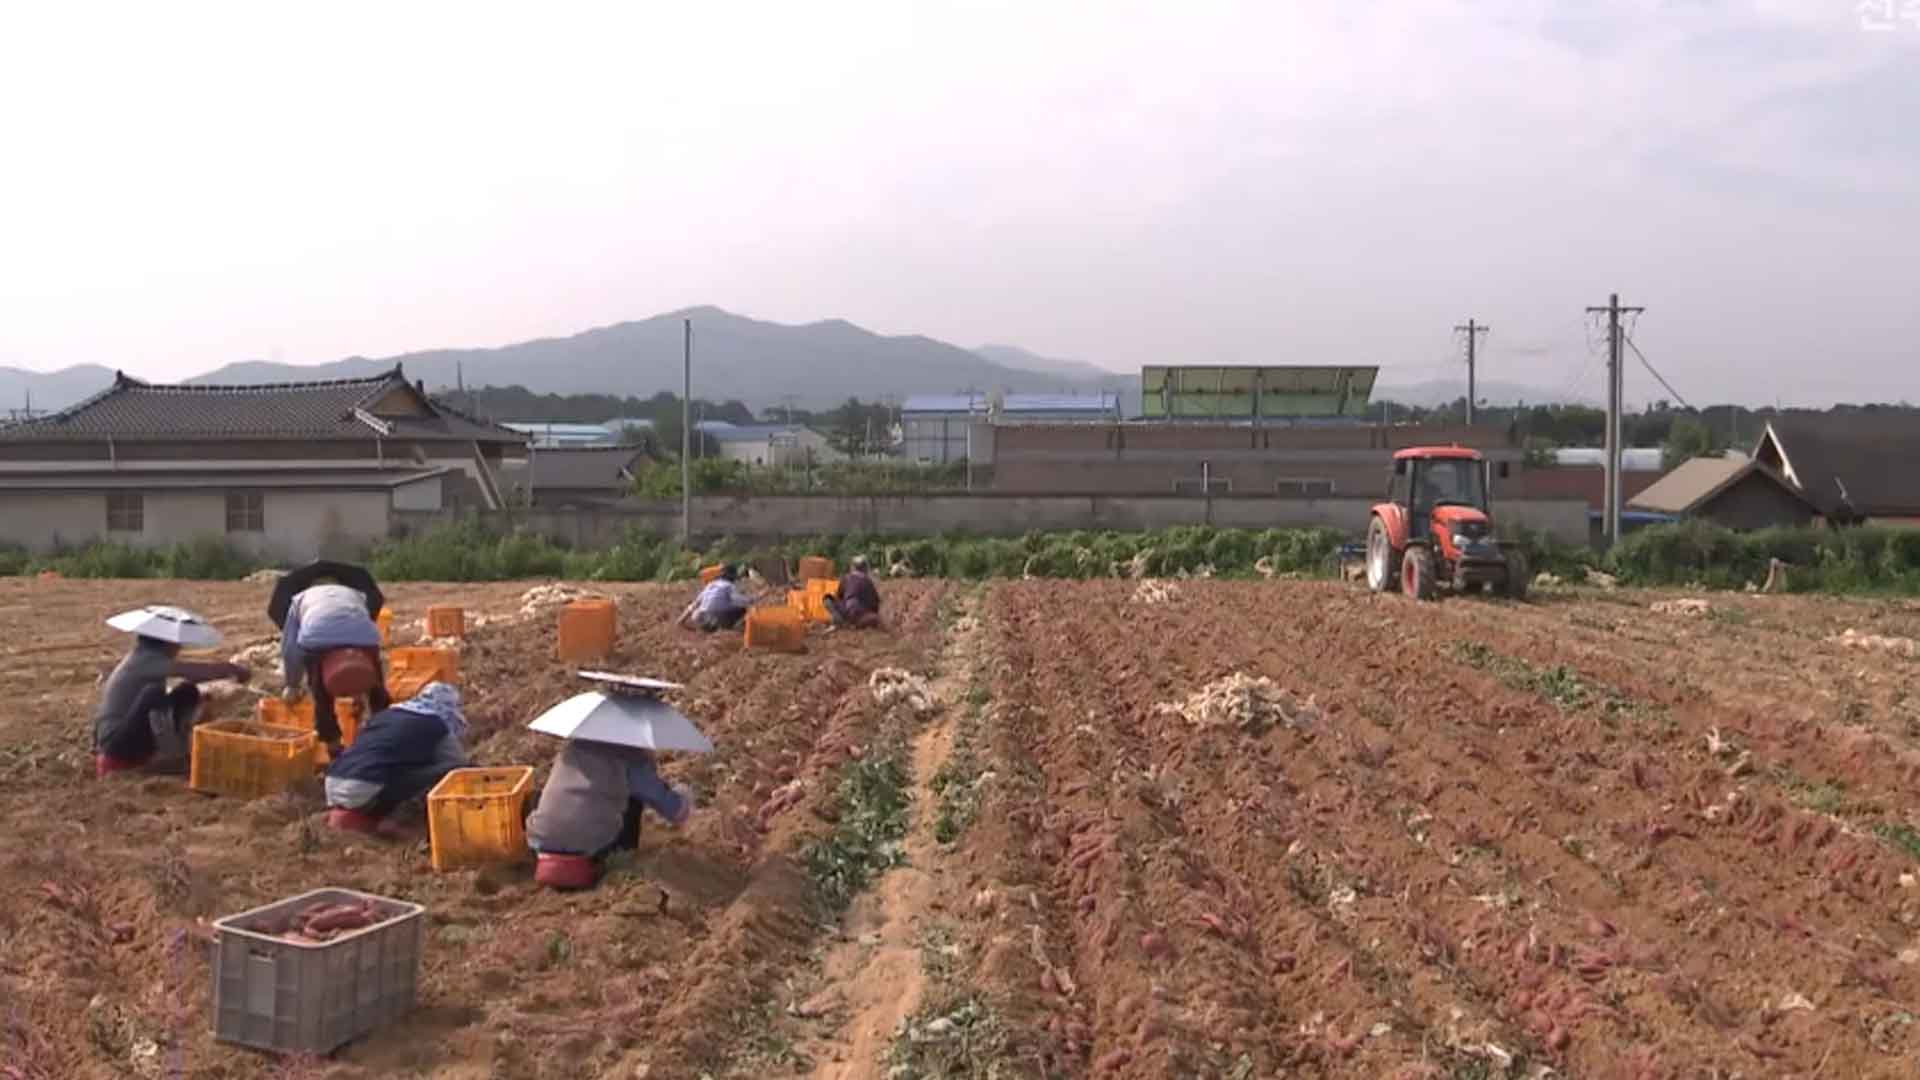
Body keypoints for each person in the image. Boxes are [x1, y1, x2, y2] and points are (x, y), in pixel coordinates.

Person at [525, 739, 691, 890]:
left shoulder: (572, 747)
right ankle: (621, 856)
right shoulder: (630, 756)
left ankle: (539, 853)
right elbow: (675, 811)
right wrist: (684, 793)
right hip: (592, 848)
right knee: (632, 798)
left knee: (538, 798)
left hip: (542, 841)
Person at [323, 682, 468, 836]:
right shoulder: (436, 723)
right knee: (453, 769)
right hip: (365, 787)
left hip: (333, 783)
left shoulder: (385, 716)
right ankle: (397, 819)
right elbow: (458, 765)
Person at [93, 634, 250, 777]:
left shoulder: (141, 658)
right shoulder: (145, 660)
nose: (179, 647)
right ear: (167, 643)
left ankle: (178, 751)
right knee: (153, 694)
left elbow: (191, 676)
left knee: (186, 691)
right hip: (115, 747)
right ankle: (174, 755)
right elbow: (193, 670)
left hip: (122, 738)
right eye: (177, 642)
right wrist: (230, 669)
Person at [280, 581, 391, 757]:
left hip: (318, 636)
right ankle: (385, 731)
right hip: (364, 635)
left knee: (321, 695)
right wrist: (358, 690)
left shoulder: (298, 600)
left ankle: (333, 745)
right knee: (376, 688)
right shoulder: (355, 592)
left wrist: (292, 685)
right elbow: (352, 629)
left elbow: (290, 650)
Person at [676, 564, 756, 632]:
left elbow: (695, 604)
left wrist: (681, 620)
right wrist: (751, 600)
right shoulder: (729, 585)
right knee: (743, 609)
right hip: (718, 617)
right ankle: (732, 627)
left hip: (701, 618)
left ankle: (711, 627)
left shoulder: (710, 585)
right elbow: (738, 600)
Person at [825, 555, 882, 629]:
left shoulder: (846, 578)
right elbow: (875, 602)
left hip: (848, 613)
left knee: (827, 599)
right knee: (874, 618)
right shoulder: (868, 581)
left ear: (853, 567)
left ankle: (840, 621)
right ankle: (857, 624)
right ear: (865, 568)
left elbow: (839, 596)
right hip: (863, 615)